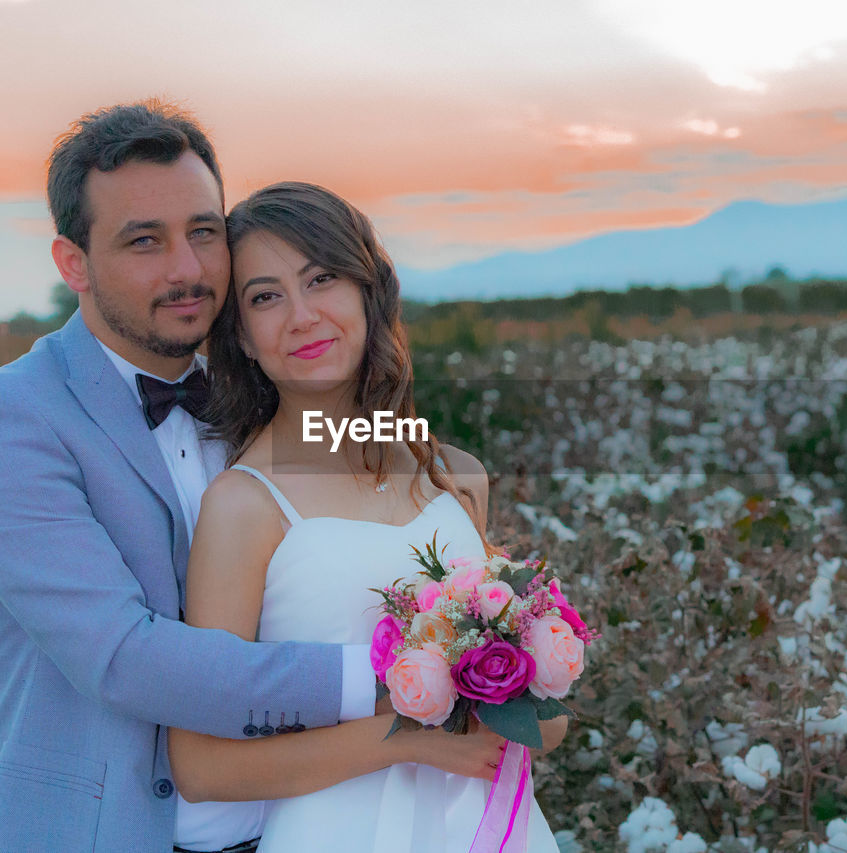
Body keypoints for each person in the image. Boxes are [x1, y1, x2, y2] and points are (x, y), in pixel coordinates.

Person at [0, 101, 493, 853]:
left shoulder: (253, 396)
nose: (188, 268)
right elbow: (124, 656)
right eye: (144, 241)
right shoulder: (6, 421)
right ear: (73, 263)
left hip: (303, 827)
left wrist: (498, 615)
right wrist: (402, 673)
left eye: (203, 231)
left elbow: (395, 459)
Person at [166, 182, 566, 852]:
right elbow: (202, 766)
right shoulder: (242, 503)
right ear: (240, 332)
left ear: (368, 289)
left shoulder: (457, 476)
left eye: (321, 278)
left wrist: (529, 674)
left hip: (491, 828)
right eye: (265, 296)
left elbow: (544, 726)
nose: (302, 315)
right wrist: (404, 742)